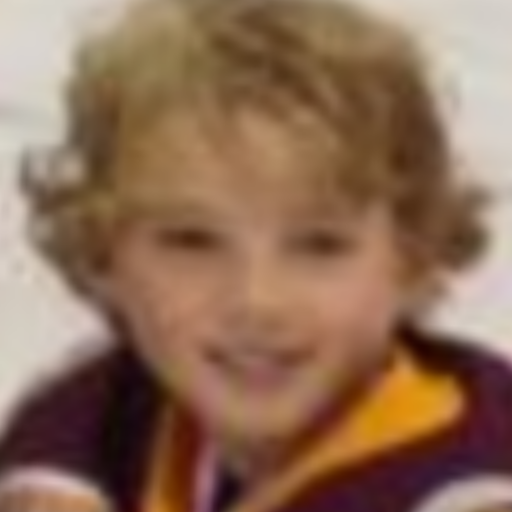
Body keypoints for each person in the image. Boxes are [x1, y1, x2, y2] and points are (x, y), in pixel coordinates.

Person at [1, 0, 511, 511]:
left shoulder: (468, 473)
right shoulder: (116, 408)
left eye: (320, 245)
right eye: (191, 240)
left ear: (414, 256)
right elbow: (75, 422)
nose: (256, 300)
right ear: (103, 250)